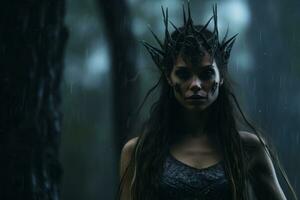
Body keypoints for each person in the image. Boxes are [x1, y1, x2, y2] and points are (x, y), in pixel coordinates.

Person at [118, 3, 297, 200]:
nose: (195, 84)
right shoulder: (139, 152)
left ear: (220, 77)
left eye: (206, 74)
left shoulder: (247, 149)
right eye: (184, 74)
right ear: (169, 78)